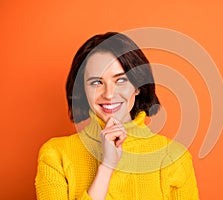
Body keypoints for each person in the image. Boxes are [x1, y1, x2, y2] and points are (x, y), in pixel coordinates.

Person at [35, 32, 199, 200]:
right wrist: (106, 167)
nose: (108, 94)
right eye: (96, 82)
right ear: (83, 90)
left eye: (120, 80)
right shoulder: (56, 155)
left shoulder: (174, 157)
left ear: (137, 86)